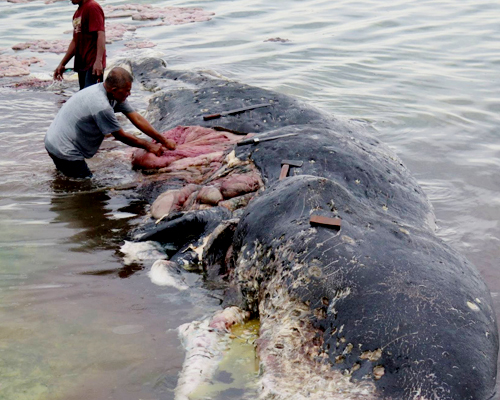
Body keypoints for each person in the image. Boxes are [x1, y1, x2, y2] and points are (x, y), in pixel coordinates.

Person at [45, 67, 176, 178]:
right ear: (114, 90)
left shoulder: (111, 94)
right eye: (126, 90)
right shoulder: (101, 106)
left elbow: (137, 118)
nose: (129, 94)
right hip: (64, 149)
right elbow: (120, 135)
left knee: (65, 178)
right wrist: (148, 145)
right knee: (89, 189)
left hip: (53, 140)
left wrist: (163, 140)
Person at [54, 0, 106, 90]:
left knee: (90, 97)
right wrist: (62, 64)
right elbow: (75, 41)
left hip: (92, 64)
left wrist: (98, 61)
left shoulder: (92, 7)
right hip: (82, 64)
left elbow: (100, 34)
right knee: (82, 95)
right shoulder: (77, 13)